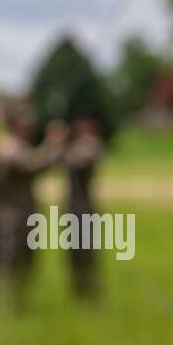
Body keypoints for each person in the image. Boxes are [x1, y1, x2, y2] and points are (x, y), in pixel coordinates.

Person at [0, 109, 67, 308]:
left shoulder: (17, 146)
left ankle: (18, 301)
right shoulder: (8, 146)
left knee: (26, 258)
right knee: (12, 257)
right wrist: (53, 145)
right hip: (14, 214)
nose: (30, 128)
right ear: (13, 124)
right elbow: (32, 166)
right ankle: (9, 302)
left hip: (23, 213)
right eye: (25, 124)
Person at [61, 116, 104, 300]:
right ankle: (79, 293)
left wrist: (60, 145)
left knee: (87, 254)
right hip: (73, 209)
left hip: (85, 210)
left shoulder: (91, 145)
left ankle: (91, 294)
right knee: (74, 254)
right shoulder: (75, 147)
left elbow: (78, 160)